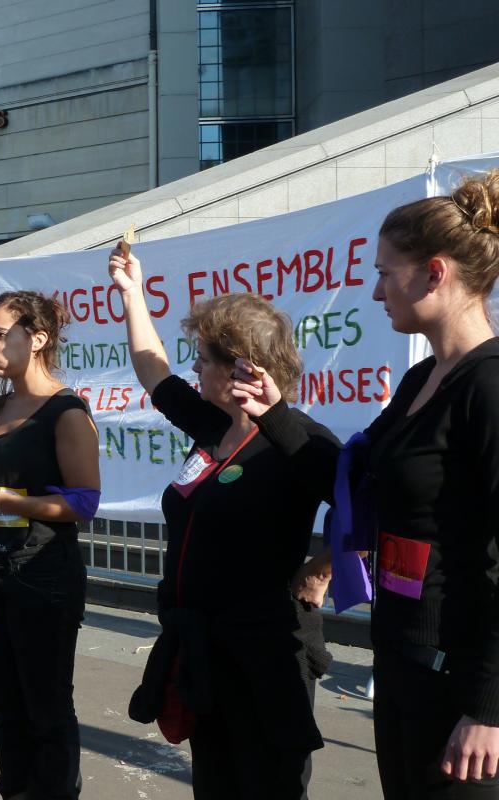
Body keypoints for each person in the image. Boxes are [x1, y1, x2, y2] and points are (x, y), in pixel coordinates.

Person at [234, 169, 499, 798]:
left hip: (461, 689)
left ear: (434, 273)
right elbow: (354, 484)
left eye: (385, 272)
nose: (377, 291)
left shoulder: (488, 387)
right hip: (404, 665)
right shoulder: (420, 381)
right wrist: (275, 415)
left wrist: (489, 706)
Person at [110, 247, 338, 799]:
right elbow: (154, 372)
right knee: (214, 784)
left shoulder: (298, 438)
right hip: (203, 648)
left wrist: (322, 567)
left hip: (264, 655)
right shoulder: (214, 426)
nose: (194, 368)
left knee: (266, 786)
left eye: (204, 358)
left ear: (242, 365)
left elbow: (366, 507)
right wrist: (131, 292)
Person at [0, 290, 100, 800]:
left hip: (43, 576)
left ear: (37, 339)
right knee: (3, 704)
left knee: (47, 705)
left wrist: (5, 499)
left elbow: (83, 503)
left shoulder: (67, 411)